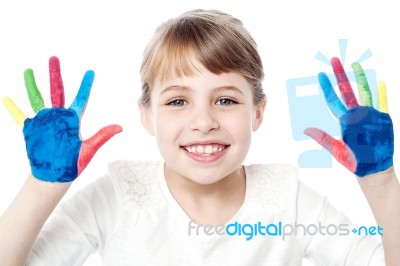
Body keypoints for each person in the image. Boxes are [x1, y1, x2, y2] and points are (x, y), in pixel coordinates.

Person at [0, 9, 399, 266]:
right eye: (177, 102)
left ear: (257, 113)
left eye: (225, 99)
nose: (203, 121)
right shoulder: (119, 196)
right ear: (147, 115)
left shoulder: (287, 199)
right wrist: (42, 185)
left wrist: (380, 180)